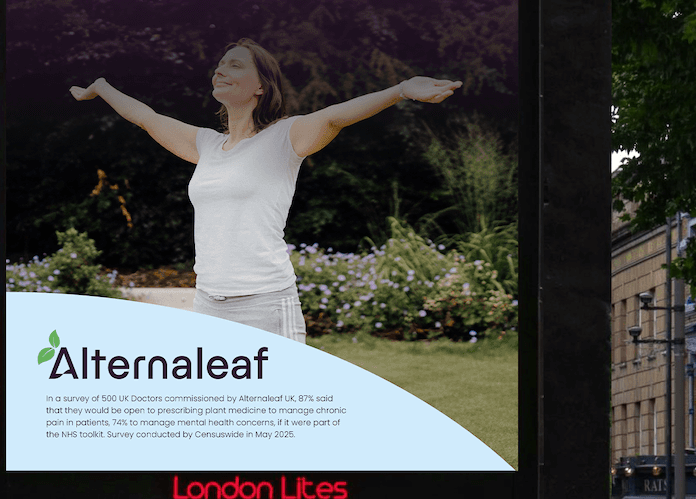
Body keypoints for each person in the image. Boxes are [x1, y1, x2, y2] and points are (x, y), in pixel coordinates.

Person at [70, 38, 460, 342]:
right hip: (209, 302)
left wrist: (401, 90)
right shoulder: (206, 145)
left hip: (266, 305)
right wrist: (102, 87)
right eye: (221, 64)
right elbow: (146, 118)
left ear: (260, 87)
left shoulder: (283, 138)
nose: (221, 70)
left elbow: (336, 117)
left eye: (235, 65)